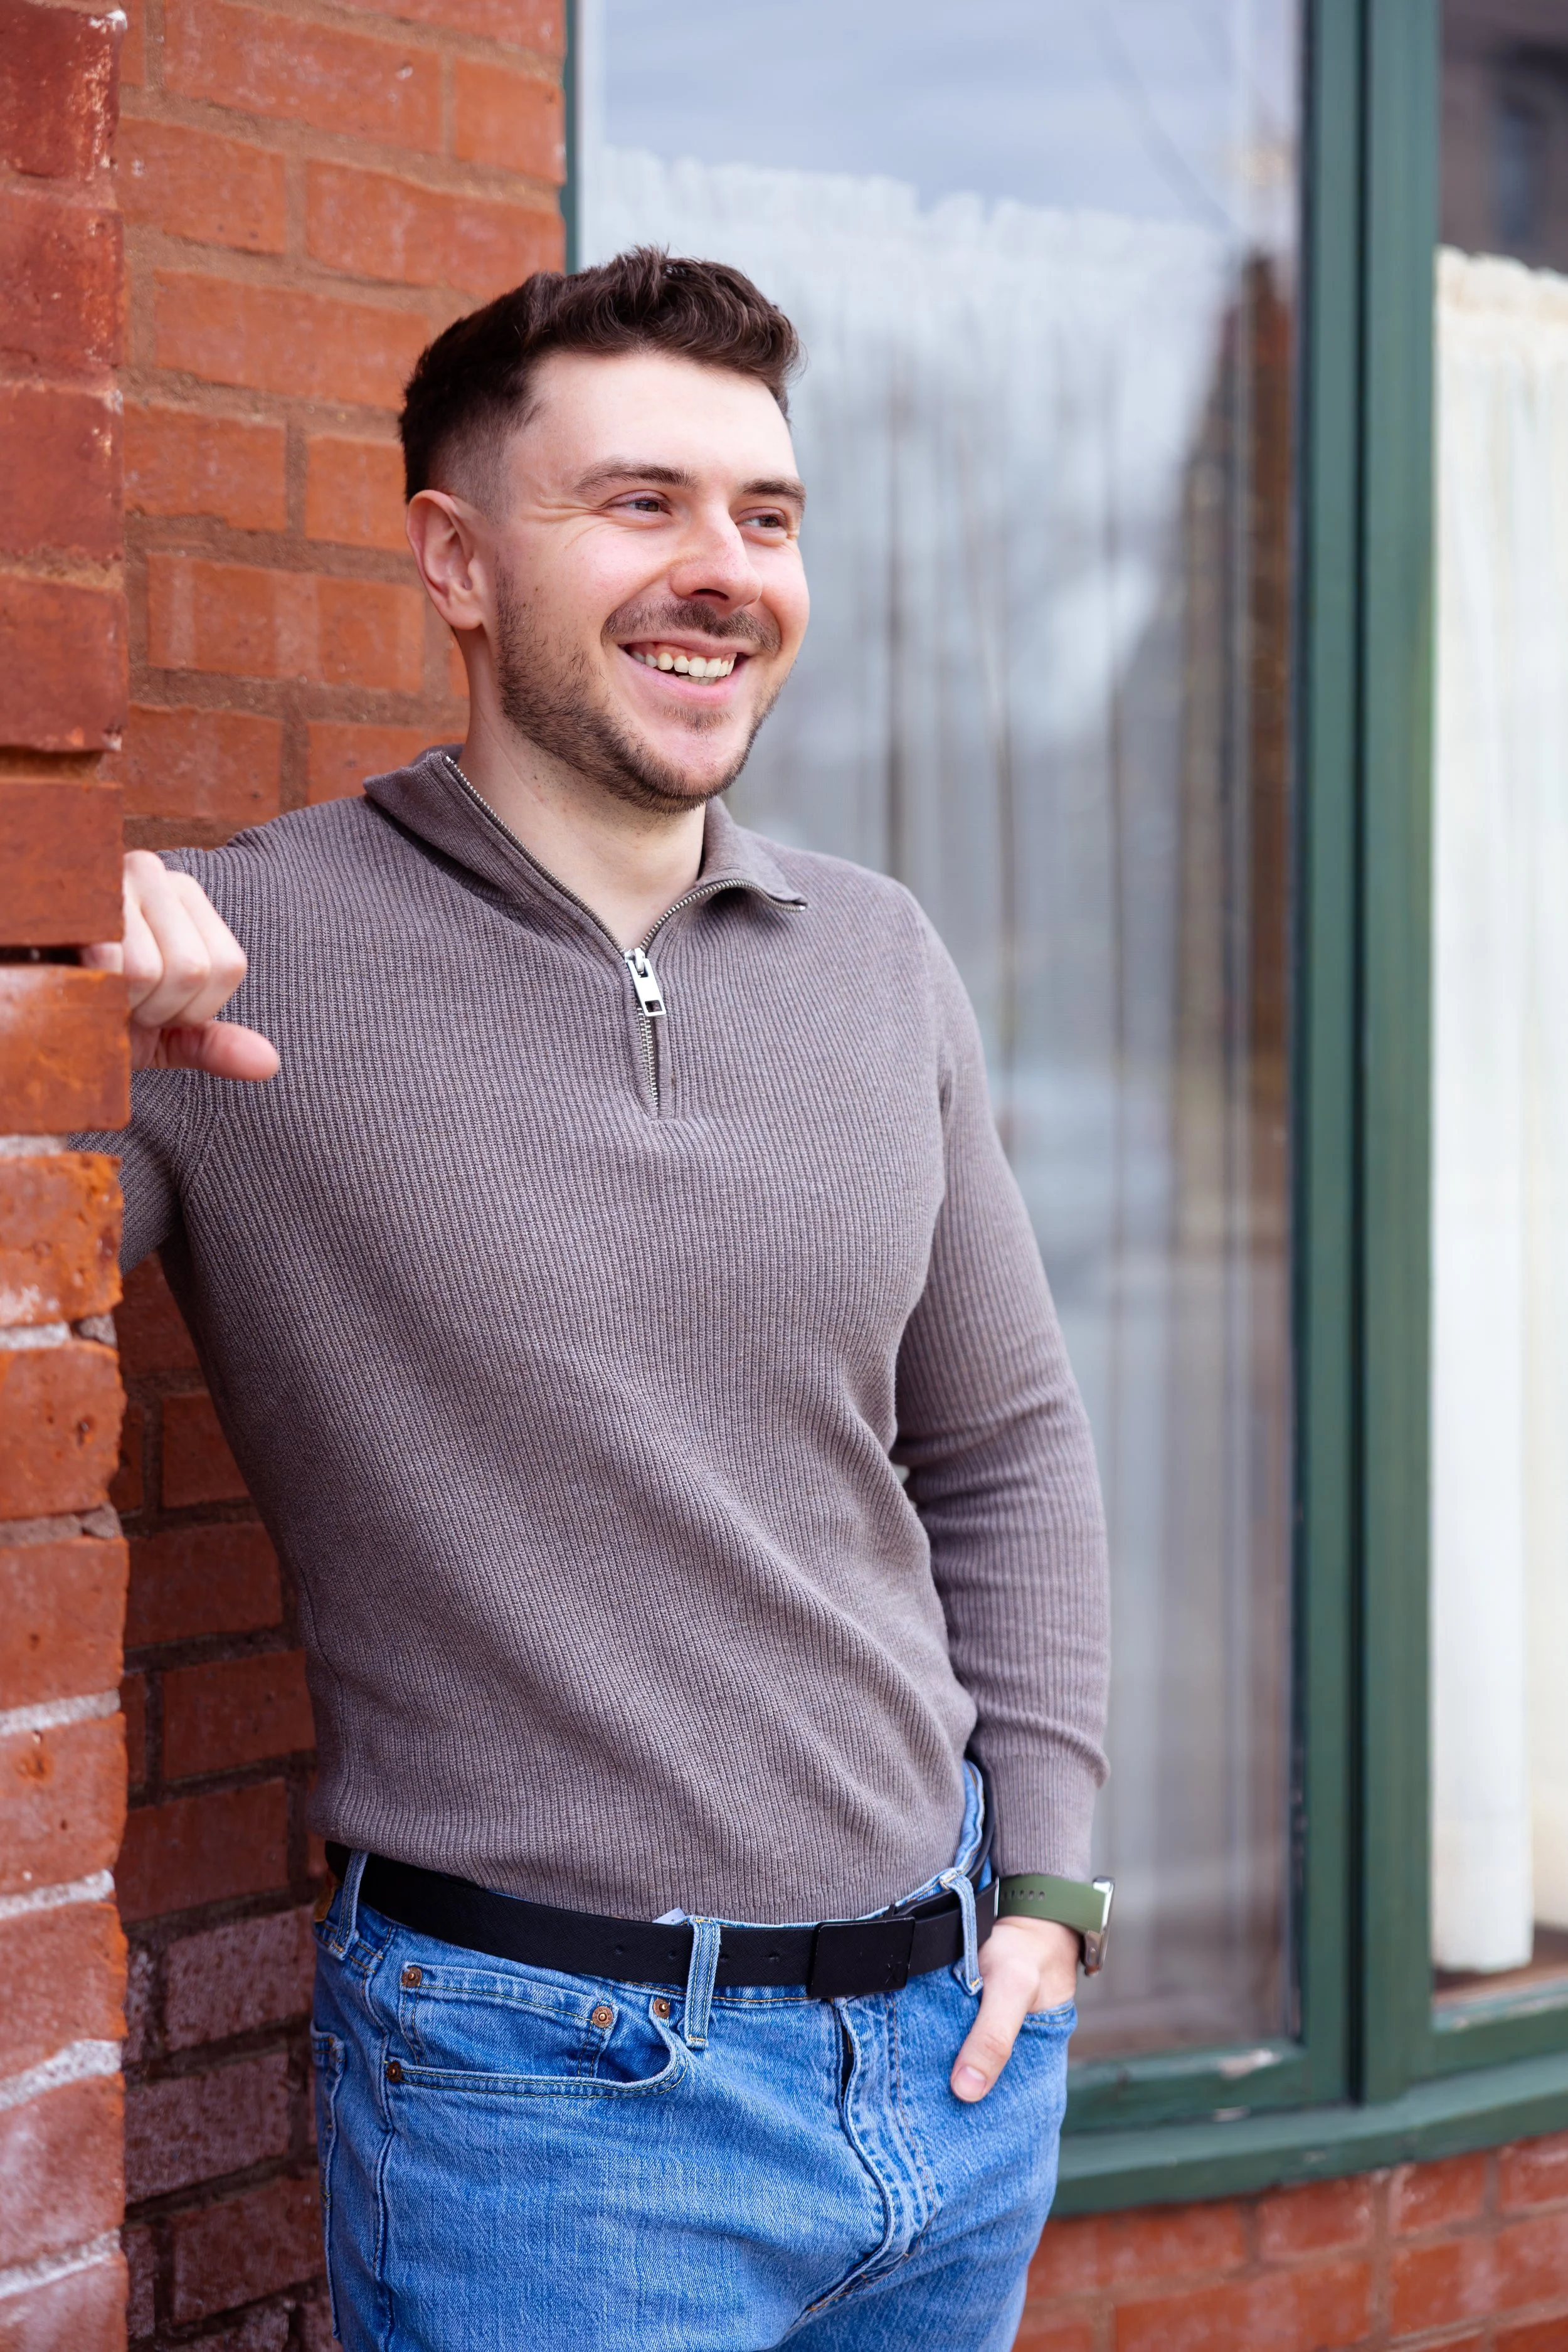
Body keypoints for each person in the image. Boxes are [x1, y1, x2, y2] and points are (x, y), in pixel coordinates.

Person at [82, 249, 1110, 2351]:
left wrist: (1054, 1884)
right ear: (458, 562)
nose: (720, 568)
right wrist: (33, 1014)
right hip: (543, 2101)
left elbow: (1000, 1444)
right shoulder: (240, 962)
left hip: (956, 2062)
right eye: (639, 502)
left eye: (766, 513)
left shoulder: (878, 955)